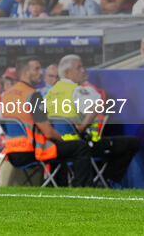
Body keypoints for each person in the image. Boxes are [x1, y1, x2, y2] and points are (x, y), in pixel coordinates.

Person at [46, 55, 140, 186]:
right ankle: (107, 180)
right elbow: (98, 105)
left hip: (59, 146)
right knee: (132, 142)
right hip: (82, 146)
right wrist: (85, 123)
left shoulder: (49, 93)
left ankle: (102, 179)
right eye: (79, 67)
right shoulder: (77, 91)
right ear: (67, 72)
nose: (84, 70)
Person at [0, 57, 93, 187]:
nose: (41, 72)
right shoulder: (33, 95)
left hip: (12, 152)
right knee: (79, 147)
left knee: (58, 147)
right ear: (26, 72)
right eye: (37, 69)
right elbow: (48, 132)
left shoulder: (7, 95)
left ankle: (60, 185)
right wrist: (62, 138)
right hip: (33, 150)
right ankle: (82, 189)